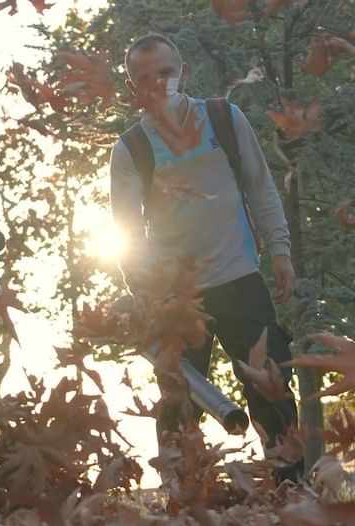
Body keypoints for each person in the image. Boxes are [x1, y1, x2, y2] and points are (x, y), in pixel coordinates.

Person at [109, 33, 303, 482]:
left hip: (239, 278)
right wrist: (146, 295)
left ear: (184, 73)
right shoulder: (131, 150)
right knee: (179, 405)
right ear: (133, 88)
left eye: (165, 73)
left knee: (271, 389)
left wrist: (280, 250)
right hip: (177, 299)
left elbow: (259, 187)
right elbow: (127, 231)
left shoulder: (224, 118)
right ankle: (185, 504)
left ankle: (292, 492)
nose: (157, 83)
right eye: (144, 78)